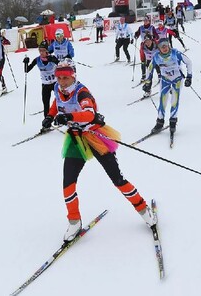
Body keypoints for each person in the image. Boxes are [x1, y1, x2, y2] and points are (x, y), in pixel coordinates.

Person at [40, 59, 155, 241]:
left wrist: (68, 116)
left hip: (95, 136)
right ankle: (74, 221)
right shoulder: (57, 88)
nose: (62, 82)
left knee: (117, 179)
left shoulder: (82, 92)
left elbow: (90, 114)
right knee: (68, 183)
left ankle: (142, 208)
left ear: (73, 76)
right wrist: (50, 116)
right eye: (59, 77)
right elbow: (56, 103)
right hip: (76, 139)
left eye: (65, 78)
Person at [143, 39, 193, 135]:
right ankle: (160, 122)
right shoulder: (156, 57)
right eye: (162, 47)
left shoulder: (176, 53)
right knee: (163, 102)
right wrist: (147, 83)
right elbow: (150, 69)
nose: (164, 48)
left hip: (177, 80)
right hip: (165, 80)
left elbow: (189, 62)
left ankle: (173, 122)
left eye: (166, 45)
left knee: (174, 101)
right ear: (158, 48)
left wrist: (189, 77)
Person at [23, 41, 59, 121]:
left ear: (47, 51)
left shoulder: (52, 58)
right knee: (46, 104)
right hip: (45, 84)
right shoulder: (37, 60)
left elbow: (62, 65)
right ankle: (47, 122)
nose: (41, 52)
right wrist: (25, 63)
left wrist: (55, 61)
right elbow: (26, 70)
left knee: (61, 100)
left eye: (43, 50)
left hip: (55, 83)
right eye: (40, 50)